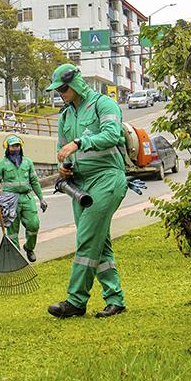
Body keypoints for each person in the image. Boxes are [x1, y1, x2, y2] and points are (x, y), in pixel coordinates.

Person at [44, 63, 128, 319]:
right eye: (57, 89)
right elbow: (62, 151)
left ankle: (76, 300)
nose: (61, 93)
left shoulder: (104, 105)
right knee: (99, 242)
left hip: (107, 179)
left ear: (77, 84)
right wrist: (65, 168)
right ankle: (115, 299)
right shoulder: (66, 116)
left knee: (87, 239)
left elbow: (112, 135)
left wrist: (80, 142)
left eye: (64, 88)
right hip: (79, 184)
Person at [0, 135, 47, 262]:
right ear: (7, 148)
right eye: (12, 146)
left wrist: (41, 198)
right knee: (12, 231)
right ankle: (17, 258)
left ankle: (29, 247)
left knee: (34, 225)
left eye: (17, 146)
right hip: (10, 200)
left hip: (27, 198)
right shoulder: (2, 164)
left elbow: (34, 181)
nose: (15, 148)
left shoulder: (28, 162)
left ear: (21, 147)